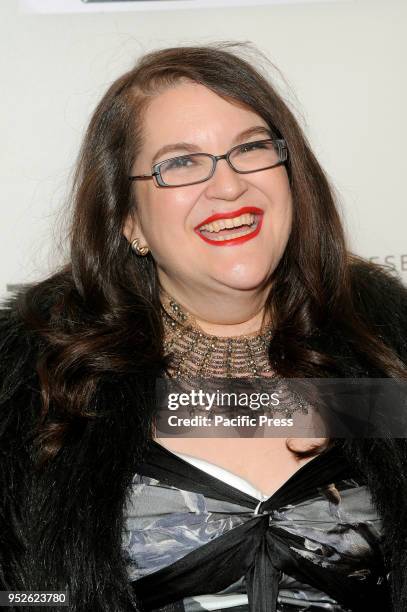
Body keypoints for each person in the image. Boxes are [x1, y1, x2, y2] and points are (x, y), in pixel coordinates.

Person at [1, 43, 407, 612]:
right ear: (130, 221)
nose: (229, 185)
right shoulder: (47, 380)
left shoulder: (382, 348)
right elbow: (19, 592)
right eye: (181, 163)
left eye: (250, 148)